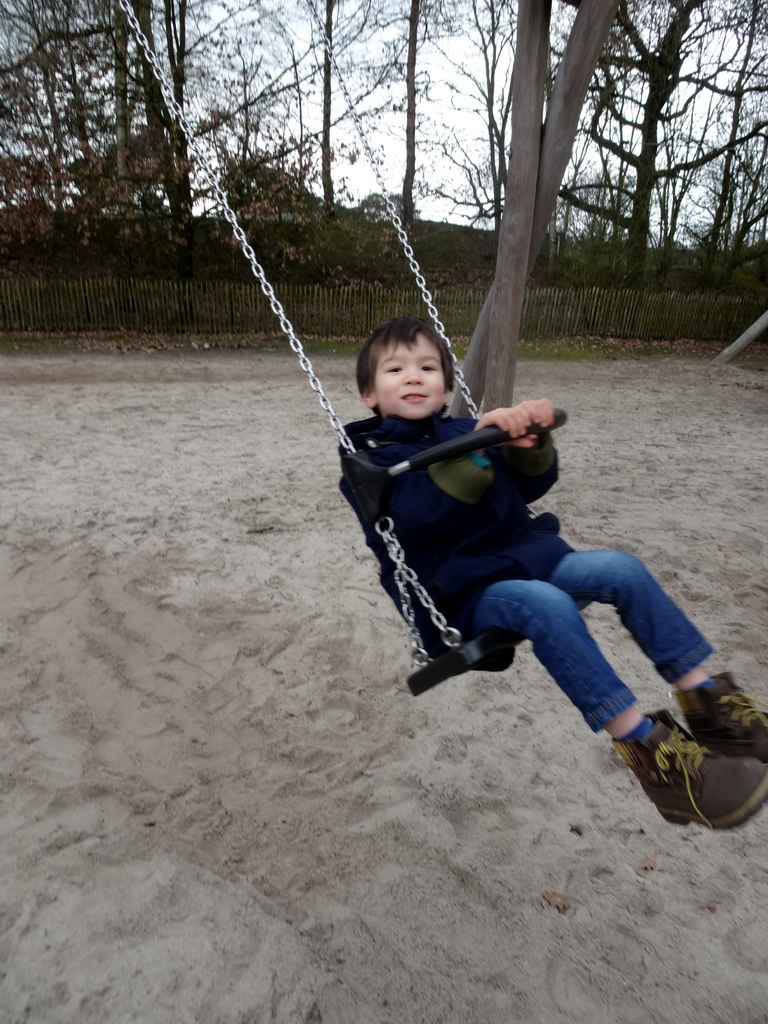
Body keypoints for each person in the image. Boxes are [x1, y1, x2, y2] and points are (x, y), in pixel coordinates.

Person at [339, 315, 768, 830]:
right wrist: (476, 450)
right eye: (396, 369)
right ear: (369, 393)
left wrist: (528, 444)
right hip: (463, 594)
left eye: (427, 367)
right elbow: (416, 520)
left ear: (447, 385)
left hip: (525, 557)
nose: (413, 376)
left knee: (621, 569)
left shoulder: (462, 428)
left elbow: (526, 490)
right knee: (548, 606)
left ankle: (710, 706)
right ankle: (652, 757)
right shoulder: (370, 466)